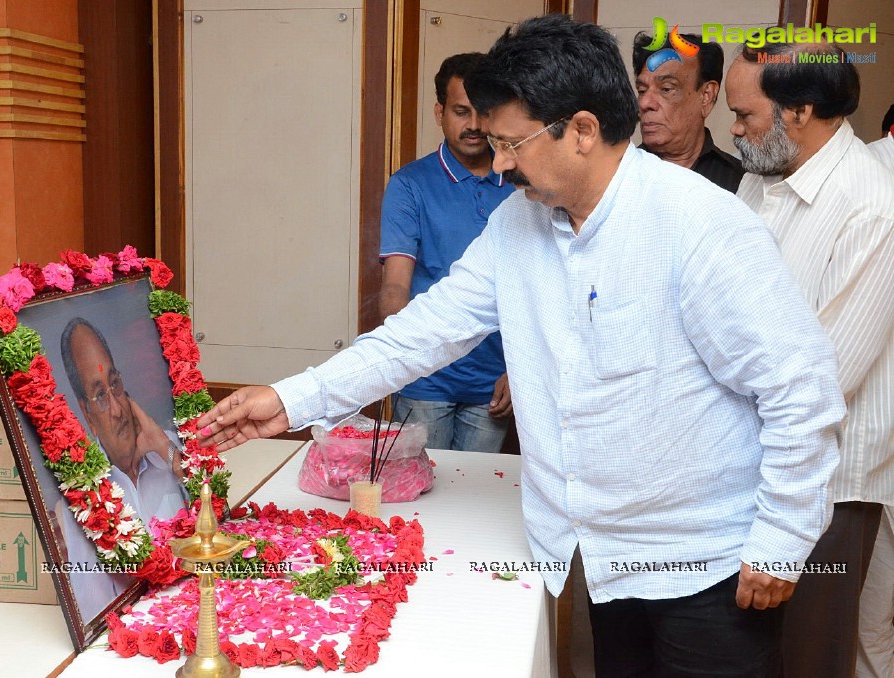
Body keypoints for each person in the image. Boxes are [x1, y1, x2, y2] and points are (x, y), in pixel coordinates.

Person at [196, 15, 845, 676]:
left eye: (512, 144)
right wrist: (291, 399)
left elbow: (800, 390)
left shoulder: (702, 227)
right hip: (599, 555)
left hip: (708, 565)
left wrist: (781, 542)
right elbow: (424, 333)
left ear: (583, 131)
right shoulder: (519, 223)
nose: (499, 164)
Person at [726, 42, 894, 678]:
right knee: (744, 651)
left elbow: (826, 376)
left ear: (798, 110)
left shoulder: (872, 205)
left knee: (807, 657)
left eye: (745, 115)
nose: (735, 131)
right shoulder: (762, 174)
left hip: (827, 480)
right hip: (744, 456)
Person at [379, 52, 515, 452]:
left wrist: (521, 369)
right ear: (440, 112)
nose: (473, 125)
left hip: (493, 383)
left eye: (482, 112)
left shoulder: (521, 182)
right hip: (425, 379)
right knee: (417, 499)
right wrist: (396, 357)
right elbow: (395, 285)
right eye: (460, 111)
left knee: (474, 501)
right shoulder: (409, 184)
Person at [57, 317, 189, 620]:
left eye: (115, 384)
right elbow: (97, 614)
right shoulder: (81, 499)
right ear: (86, 413)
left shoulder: (169, 448)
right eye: (100, 395)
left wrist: (165, 450)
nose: (117, 409)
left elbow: (219, 517)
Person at [857, 104, 894, 678]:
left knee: (871, 621)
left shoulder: (864, 173)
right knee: (870, 616)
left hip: (873, 432)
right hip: (874, 432)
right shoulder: (871, 177)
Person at [632, 31, 744, 192]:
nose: (644, 103)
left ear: (706, 96)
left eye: (666, 89)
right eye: (642, 90)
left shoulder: (740, 183)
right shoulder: (618, 176)